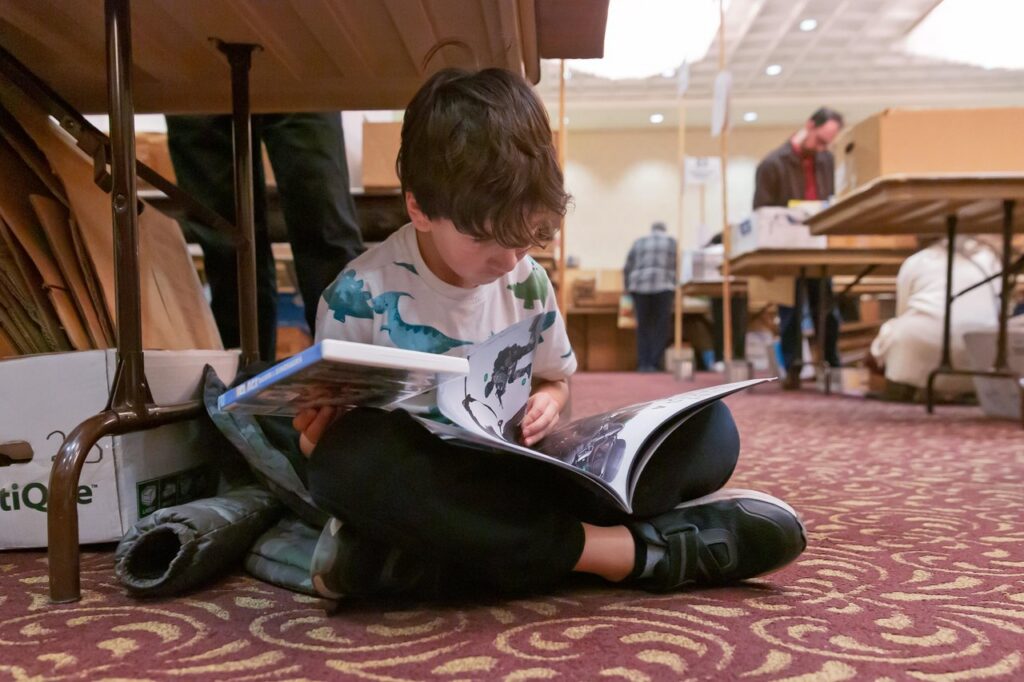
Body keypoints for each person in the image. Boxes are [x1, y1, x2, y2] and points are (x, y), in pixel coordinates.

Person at [292, 68, 806, 600]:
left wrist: (548, 401)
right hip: (435, 482)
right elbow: (328, 442)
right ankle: (626, 554)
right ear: (419, 207)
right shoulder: (357, 294)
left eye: (527, 237)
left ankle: (434, 559)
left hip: (517, 481)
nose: (510, 258)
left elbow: (555, 380)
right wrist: (316, 438)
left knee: (711, 431)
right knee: (346, 463)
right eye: (487, 238)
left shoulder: (528, 281)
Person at [167, 112, 365, 362]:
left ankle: (352, 377)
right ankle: (240, 385)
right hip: (195, 84)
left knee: (326, 234)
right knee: (229, 251)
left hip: (300, 79)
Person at [753, 107, 844, 388]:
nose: (823, 148)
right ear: (809, 126)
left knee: (827, 308)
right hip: (786, 247)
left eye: (828, 143)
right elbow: (761, 210)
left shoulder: (826, 159)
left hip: (818, 245)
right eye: (820, 140)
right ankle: (792, 369)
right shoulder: (772, 163)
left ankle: (831, 366)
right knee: (790, 310)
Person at [870, 236, 1001, 399]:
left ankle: (908, 387)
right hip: (979, 354)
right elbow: (998, 311)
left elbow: (902, 312)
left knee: (893, 329)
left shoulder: (917, 260)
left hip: (919, 348)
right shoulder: (991, 260)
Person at [624, 222, 677, 372]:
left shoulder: (639, 241)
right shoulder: (671, 242)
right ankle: (654, 363)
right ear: (664, 230)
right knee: (661, 327)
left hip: (640, 287)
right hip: (664, 286)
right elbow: (677, 265)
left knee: (643, 326)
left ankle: (643, 363)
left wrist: (627, 287)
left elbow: (627, 267)